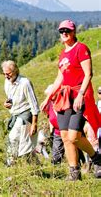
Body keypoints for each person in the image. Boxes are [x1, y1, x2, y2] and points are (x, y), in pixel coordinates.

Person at [40, 20, 101, 180]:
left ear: (73, 32)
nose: (64, 33)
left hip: (78, 96)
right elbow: (60, 77)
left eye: (67, 30)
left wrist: (81, 94)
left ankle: (96, 158)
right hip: (64, 98)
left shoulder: (81, 49)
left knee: (74, 136)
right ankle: (74, 173)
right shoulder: (62, 54)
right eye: (61, 31)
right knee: (65, 136)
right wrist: (48, 97)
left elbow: (88, 74)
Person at [1, 60, 39, 166]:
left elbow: (34, 103)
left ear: (15, 71)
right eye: (4, 74)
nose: (6, 76)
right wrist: (6, 104)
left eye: (8, 74)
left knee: (13, 137)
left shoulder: (25, 83)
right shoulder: (7, 82)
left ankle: (10, 164)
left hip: (26, 113)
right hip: (15, 114)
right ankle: (36, 166)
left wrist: (34, 123)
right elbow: (11, 98)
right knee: (25, 143)